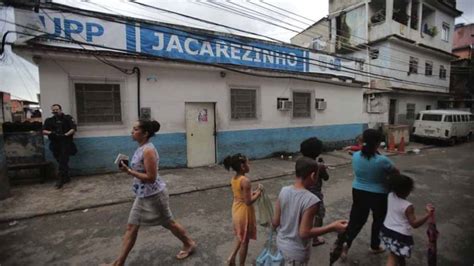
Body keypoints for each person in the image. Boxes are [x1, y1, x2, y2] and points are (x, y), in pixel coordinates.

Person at [104, 120, 196, 266]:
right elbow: (141, 170)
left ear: (145, 133)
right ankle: (119, 263)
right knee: (132, 226)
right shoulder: (141, 148)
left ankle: (189, 243)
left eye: (135, 129)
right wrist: (128, 167)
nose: (132, 131)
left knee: (169, 222)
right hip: (142, 195)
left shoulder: (148, 150)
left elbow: (151, 178)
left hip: (154, 195)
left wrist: (129, 171)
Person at [272, 157, 348, 265]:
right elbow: (304, 233)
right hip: (296, 253)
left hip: (280, 245)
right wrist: (332, 227)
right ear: (313, 176)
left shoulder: (283, 190)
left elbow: (275, 222)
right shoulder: (311, 200)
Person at [338, 128, 400, 260]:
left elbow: (361, 153)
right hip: (379, 195)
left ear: (363, 141)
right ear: (378, 143)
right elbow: (396, 173)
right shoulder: (382, 160)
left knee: (356, 220)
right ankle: (375, 245)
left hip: (358, 191)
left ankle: (346, 243)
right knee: (378, 221)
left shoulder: (355, 157)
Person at [381, 174, 434, 266]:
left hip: (386, 230)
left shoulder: (390, 195)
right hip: (399, 236)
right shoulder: (407, 206)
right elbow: (414, 224)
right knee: (393, 257)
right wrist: (428, 214)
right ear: (407, 191)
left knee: (399, 255)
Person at [224, 153, 262, 266]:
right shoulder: (245, 180)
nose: (249, 165)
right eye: (247, 162)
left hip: (236, 209)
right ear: (242, 166)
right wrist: (259, 193)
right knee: (245, 241)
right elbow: (248, 201)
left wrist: (253, 193)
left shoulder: (234, 178)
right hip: (244, 213)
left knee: (240, 236)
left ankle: (231, 258)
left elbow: (242, 195)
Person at [300, 137, 330, 246]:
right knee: (319, 215)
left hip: (302, 192)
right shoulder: (318, 166)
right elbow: (326, 178)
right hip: (315, 195)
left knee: (303, 214)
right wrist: (323, 167)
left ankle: (302, 231)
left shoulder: (300, 162)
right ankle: (315, 238)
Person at [42, 104, 77, 189]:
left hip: (66, 142)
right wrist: (52, 133)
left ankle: (60, 180)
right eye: (53, 110)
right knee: (60, 160)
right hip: (55, 143)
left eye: (57, 109)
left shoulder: (67, 118)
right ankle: (66, 176)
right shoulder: (49, 120)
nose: (55, 111)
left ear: (60, 109)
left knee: (62, 160)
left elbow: (73, 129)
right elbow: (43, 130)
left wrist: (65, 135)